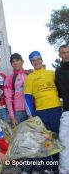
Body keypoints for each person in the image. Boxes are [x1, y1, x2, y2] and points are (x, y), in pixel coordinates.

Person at [24, 51, 62, 173]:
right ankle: (47, 168)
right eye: (33, 60)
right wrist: (30, 115)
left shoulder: (52, 73)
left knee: (57, 137)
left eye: (38, 59)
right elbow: (27, 98)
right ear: (31, 62)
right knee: (46, 139)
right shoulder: (29, 77)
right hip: (41, 111)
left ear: (41, 59)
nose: (36, 62)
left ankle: (57, 166)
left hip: (56, 109)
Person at [4, 53, 31, 127]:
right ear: (11, 64)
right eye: (13, 62)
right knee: (20, 137)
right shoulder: (9, 79)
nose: (15, 63)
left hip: (32, 110)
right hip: (18, 112)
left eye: (17, 60)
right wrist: (12, 117)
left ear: (22, 61)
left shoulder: (29, 75)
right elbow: (8, 99)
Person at [56, 45, 69, 174]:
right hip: (67, 111)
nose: (66, 55)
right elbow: (59, 92)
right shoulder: (58, 72)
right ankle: (64, 170)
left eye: (68, 52)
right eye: (63, 53)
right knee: (64, 142)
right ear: (59, 55)